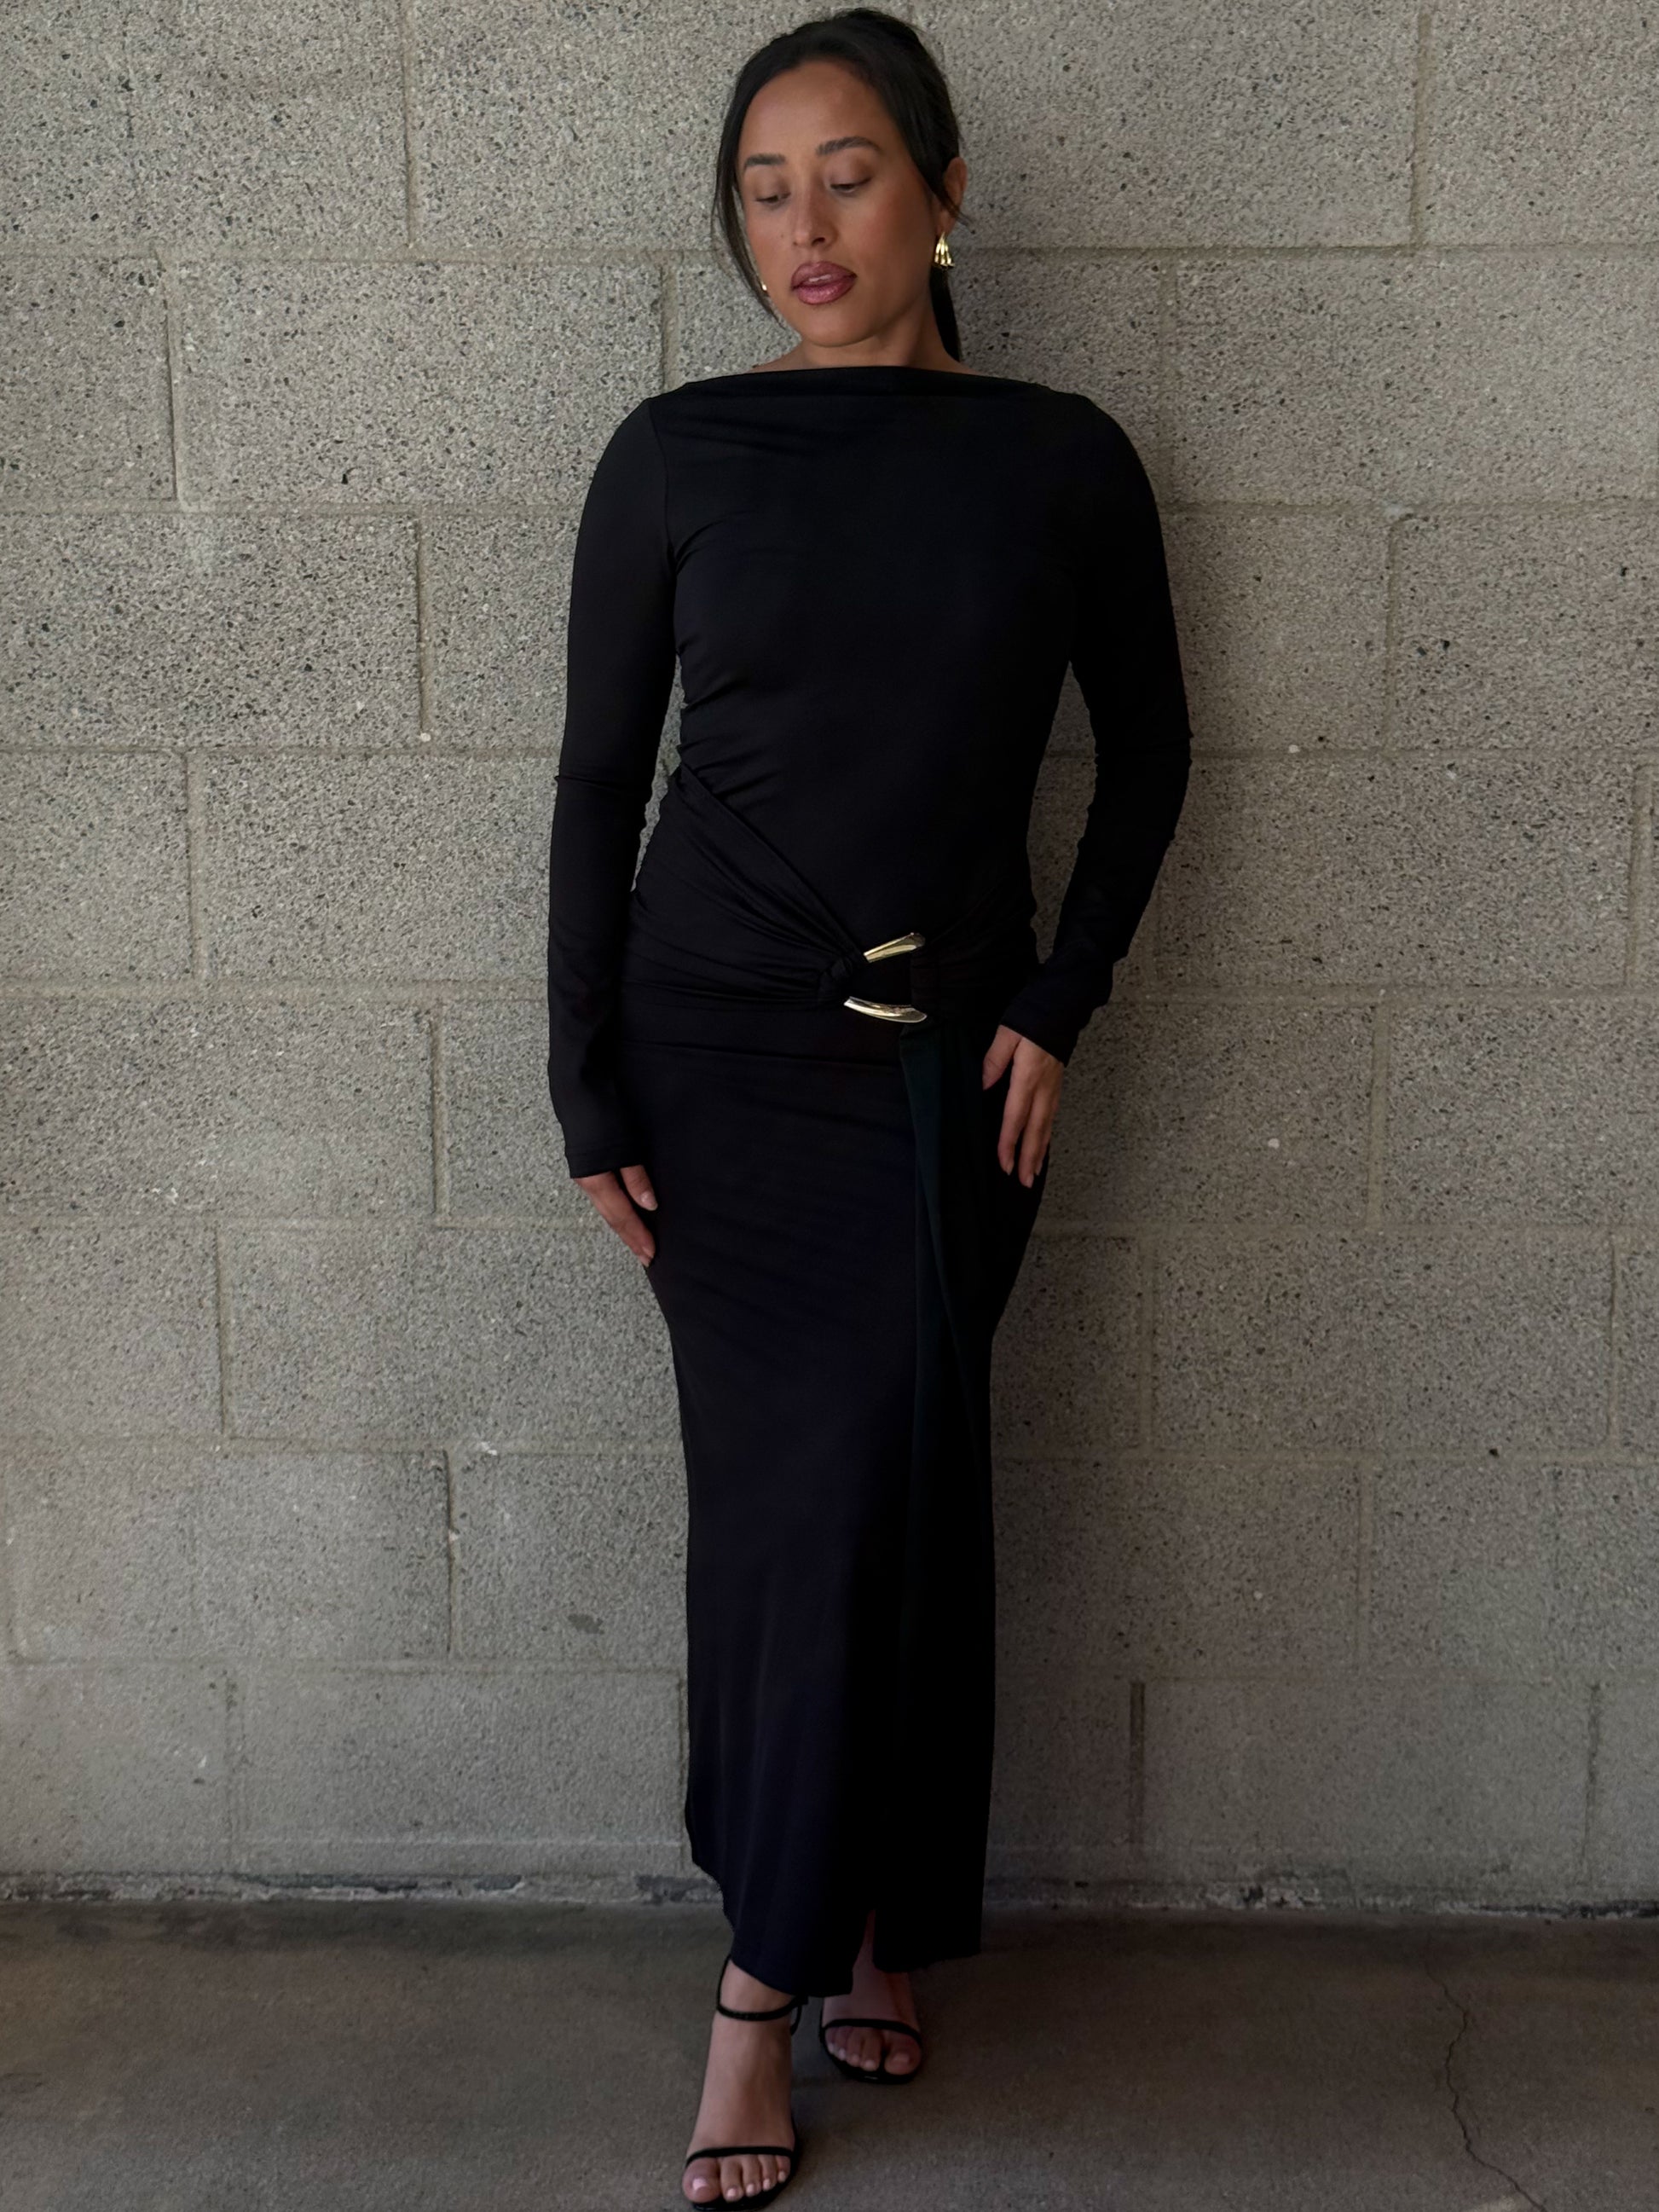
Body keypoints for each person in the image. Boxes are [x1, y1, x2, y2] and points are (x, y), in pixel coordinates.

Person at [544, 9, 1192, 2203]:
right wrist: (581, 1087)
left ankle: (871, 1911)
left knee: (898, 1504)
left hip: (945, 1074)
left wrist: (1062, 1000)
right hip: (714, 1070)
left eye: (845, 174)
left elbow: (1154, 751)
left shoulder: (1061, 458)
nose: (802, 225)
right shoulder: (674, 451)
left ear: (942, 191)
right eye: (762, 188)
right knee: (795, 1517)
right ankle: (765, 1982)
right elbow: (595, 783)